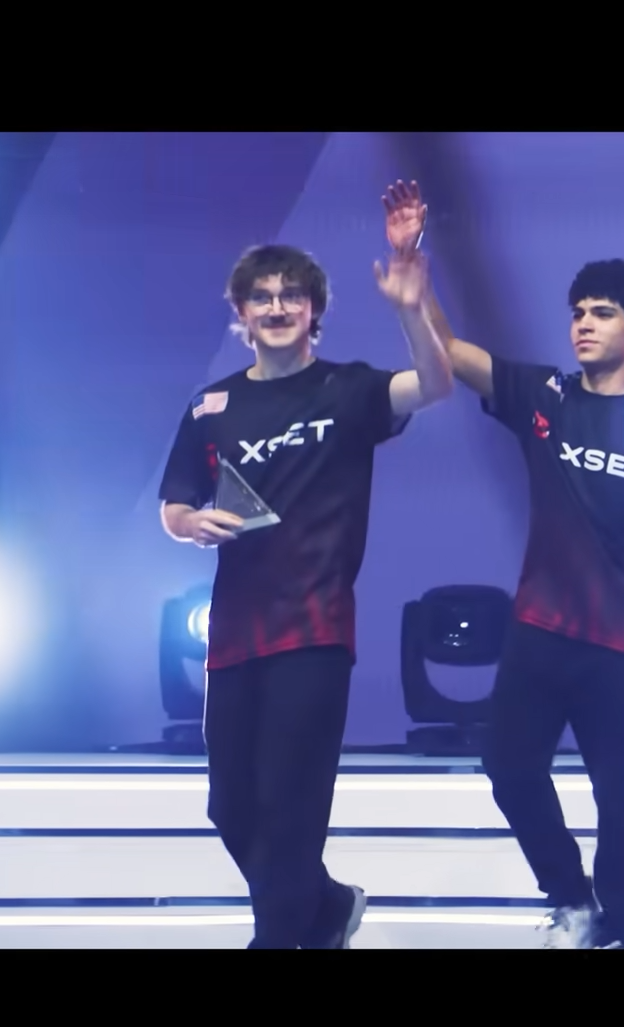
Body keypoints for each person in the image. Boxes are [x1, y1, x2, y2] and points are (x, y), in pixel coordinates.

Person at [383, 181, 624, 950]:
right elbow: (452, 352)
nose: (584, 323)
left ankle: (620, 929)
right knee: (507, 768)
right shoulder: (548, 396)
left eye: (602, 313)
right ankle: (571, 899)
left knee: (622, 802)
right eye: (578, 312)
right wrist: (413, 273)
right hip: (538, 632)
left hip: (622, 643)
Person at [157, 239, 452, 947]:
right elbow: (174, 505)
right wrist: (191, 523)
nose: (277, 307)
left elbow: (434, 383)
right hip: (235, 634)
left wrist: (412, 309)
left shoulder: (347, 389)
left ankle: (279, 936)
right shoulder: (212, 406)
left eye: (292, 295)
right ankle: (326, 907)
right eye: (261, 296)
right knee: (230, 809)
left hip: (316, 630)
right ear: (240, 312)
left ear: (315, 309)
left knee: (290, 808)